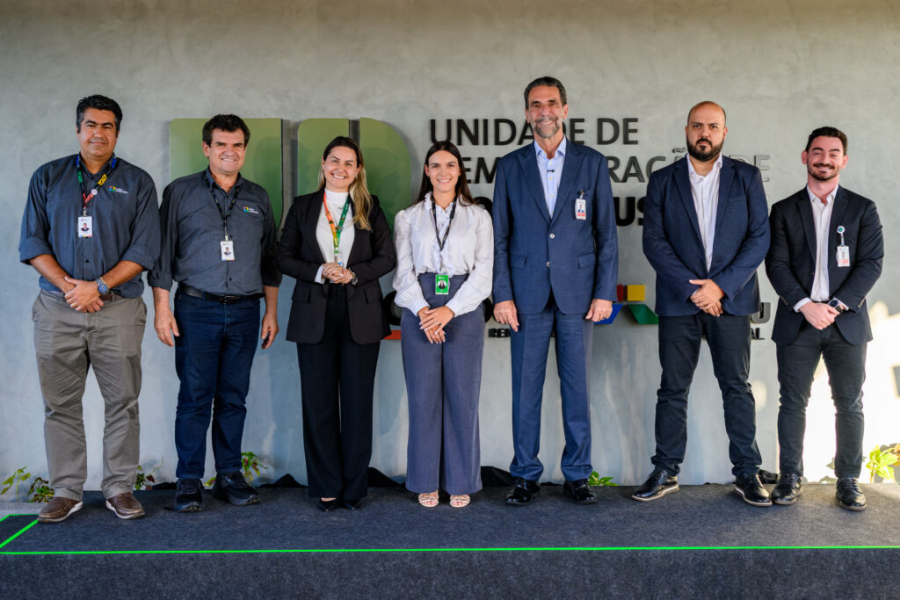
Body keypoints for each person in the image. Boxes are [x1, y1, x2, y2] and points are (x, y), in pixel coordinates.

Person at [19, 95, 160, 522]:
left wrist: (97, 286)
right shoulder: (48, 177)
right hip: (57, 308)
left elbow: (144, 248)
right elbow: (33, 243)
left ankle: (119, 488)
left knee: (123, 402)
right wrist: (71, 288)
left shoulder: (137, 182)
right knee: (59, 404)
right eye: (91, 125)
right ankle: (66, 490)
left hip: (117, 308)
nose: (99, 133)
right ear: (78, 129)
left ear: (118, 132)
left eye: (108, 126)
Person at [635, 101, 771, 506]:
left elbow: (758, 238)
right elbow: (654, 242)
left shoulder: (746, 177)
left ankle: (747, 472)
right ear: (686, 130)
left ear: (725, 132)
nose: (704, 132)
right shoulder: (662, 180)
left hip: (731, 301)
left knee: (736, 387)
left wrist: (720, 288)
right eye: (697, 125)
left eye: (713, 126)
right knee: (672, 389)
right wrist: (695, 290)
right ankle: (666, 470)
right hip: (680, 302)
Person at [492, 76, 618, 506]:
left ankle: (578, 475)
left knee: (576, 388)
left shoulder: (592, 162)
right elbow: (501, 238)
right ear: (527, 113)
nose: (543, 111)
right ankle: (525, 474)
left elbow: (606, 234)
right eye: (535, 104)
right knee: (524, 390)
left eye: (551, 103)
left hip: (579, 296)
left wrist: (604, 293)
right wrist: (501, 294)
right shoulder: (509, 166)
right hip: (524, 296)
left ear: (565, 109)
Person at [150, 114, 281, 513]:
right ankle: (189, 480)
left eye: (237, 145)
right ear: (207, 148)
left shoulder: (257, 196)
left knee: (233, 399)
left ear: (245, 149)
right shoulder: (180, 192)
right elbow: (162, 255)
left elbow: (270, 259)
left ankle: (228, 475)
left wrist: (270, 312)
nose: (230, 151)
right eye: (222, 144)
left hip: (244, 311)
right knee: (193, 398)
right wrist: (161, 308)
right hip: (195, 309)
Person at [765, 127, 883, 511]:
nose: (825, 159)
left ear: (843, 160)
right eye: (818, 152)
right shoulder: (783, 210)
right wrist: (806, 304)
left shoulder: (863, 209)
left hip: (845, 322)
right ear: (805, 157)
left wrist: (834, 305)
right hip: (798, 320)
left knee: (850, 403)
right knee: (791, 403)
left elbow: (870, 264)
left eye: (833, 153)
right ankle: (789, 478)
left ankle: (848, 481)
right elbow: (777, 265)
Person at [278, 137, 396, 512]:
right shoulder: (303, 206)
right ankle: (326, 486)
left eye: (349, 163)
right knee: (319, 404)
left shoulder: (369, 207)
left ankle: (354, 487)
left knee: (358, 404)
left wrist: (354, 274)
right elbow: (283, 256)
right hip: (315, 310)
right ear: (323, 164)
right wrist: (318, 271)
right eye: (334, 161)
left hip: (360, 310)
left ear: (358, 169)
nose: (340, 169)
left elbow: (386, 257)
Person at [393, 141, 493, 508]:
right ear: (427, 171)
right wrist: (423, 311)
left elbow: (484, 275)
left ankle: (461, 480)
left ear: (460, 170)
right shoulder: (408, 217)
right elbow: (402, 275)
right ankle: (425, 480)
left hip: (463, 307)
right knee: (423, 399)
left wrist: (449, 311)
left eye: (450, 165)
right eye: (435, 165)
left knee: (462, 399)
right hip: (419, 305)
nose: (443, 172)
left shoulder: (478, 216)